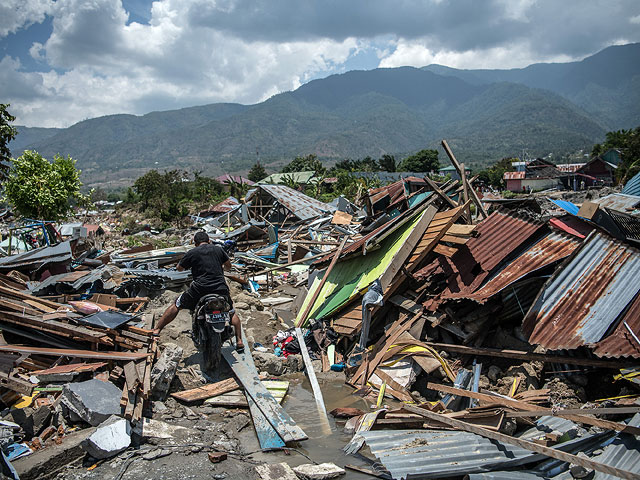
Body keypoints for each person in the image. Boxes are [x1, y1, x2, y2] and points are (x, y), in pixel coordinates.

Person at [153, 231, 244, 352]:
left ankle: (157, 330)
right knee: (231, 312)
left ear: (195, 243)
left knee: (177, 304)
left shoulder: (192, 252)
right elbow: (229, 266)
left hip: (199, 289)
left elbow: (179, 269)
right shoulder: (218, 250)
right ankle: (239, 341)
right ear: (209, 241)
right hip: (220, 288)